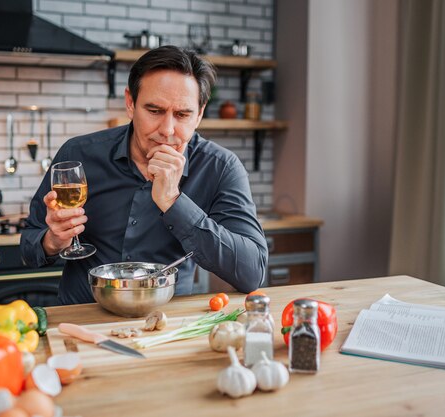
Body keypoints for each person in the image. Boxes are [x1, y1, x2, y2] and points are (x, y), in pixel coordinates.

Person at [20, 45, 268, 305]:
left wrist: (173, 201)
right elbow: (28, 249)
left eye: (182, 114)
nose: (167, 130)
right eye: (154, 111)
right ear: (130, 103)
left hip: (165, 324)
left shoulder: (220, 167)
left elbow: (252, 274)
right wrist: (53, 240)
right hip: (80, 319)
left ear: (200, 114)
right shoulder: (78, 154)